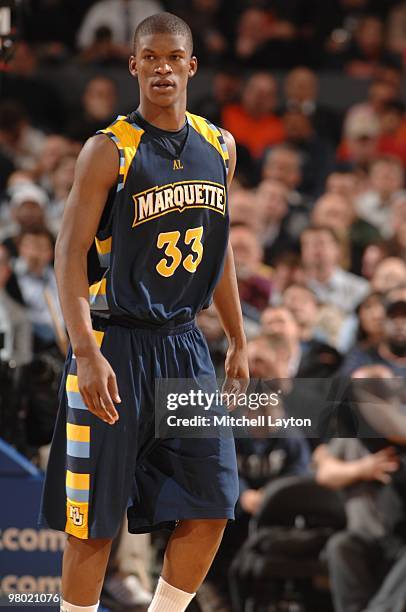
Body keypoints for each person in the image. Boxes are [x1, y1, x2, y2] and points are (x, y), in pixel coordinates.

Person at [39, 12, 248, 612]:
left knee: (211, 503)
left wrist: (237, 336)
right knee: (94, 524)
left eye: (172, 57)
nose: (162, 67)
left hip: (184, 346)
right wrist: (85, 350)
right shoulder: (109, 150)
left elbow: (221, 244)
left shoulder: (219, 146)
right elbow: (69, 252)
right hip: (114, 342)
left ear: (191, 66)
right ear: (133, 65)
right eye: (150, 57)